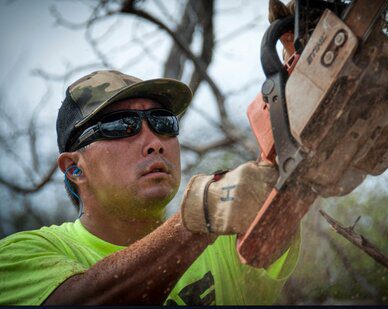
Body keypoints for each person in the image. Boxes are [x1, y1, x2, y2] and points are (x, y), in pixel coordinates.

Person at [0, 70, 300, 305]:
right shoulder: (21, 257)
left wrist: (301, 77)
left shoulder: (229, 239)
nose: (154, 143)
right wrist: (197, 220)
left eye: (163, 122)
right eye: (121, 125)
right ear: (75, 169)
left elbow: (303, 167)